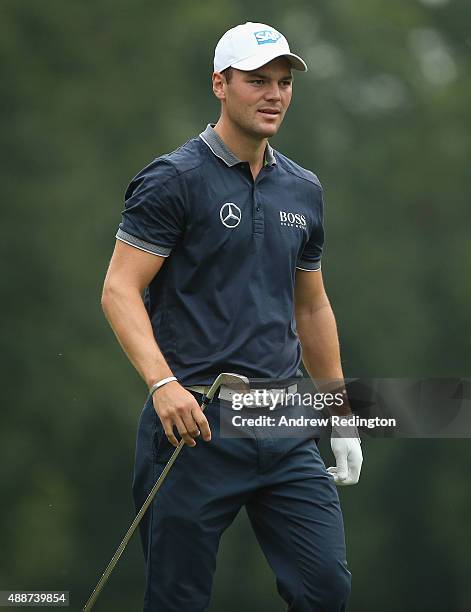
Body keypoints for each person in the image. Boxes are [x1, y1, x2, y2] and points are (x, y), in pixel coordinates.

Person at [101, 21, 362, 612]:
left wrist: (340, 411)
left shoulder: (303, 189)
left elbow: (311, 304)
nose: (274, 95)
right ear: (220, 84)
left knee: (325, 589)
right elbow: (119, 290)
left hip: (283, 418)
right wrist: (162, 385)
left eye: (283, 82)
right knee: (178, 599)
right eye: (256, 81)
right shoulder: (174, 180)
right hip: (193, 424)